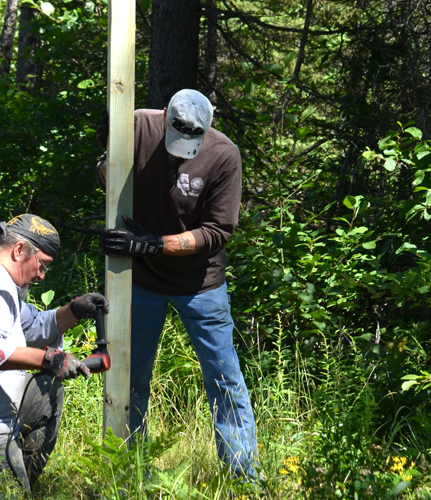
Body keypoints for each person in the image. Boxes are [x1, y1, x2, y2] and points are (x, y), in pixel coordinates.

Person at [97, 89, 258, 478]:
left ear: (208, 128)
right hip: (141, 281)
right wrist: (107, 164)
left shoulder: (223, 155)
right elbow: (106, 175)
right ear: (165, 114)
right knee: (130, 376)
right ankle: (132, 471)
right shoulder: (137, 125)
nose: (182, 146)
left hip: (201, 284)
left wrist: (152, 244)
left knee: (224, 379)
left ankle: (241, 476)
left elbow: (216, 232)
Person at [0, 213, 108, 495]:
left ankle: (21, 477)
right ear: (19, 250)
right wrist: (48, 359)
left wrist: (73, 310)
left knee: (47, 392)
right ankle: (13, 482)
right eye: (42, 265)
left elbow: (33, 325)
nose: (41, 275)